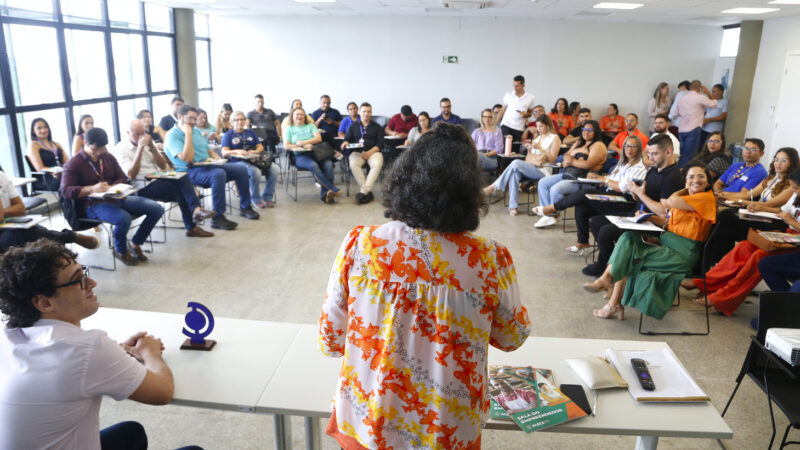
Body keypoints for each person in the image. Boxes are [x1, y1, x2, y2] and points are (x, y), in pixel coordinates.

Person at [318, 123, 530, 449]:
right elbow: (512, 336)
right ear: (470, 188)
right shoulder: (489, 259)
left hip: (368, 423)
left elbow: (331, 338)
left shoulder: (360, 244)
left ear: (405, 175)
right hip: (447, 429)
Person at [0, 239, 184, 450]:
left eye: (84, 272)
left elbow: (70, 366)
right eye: (78, 280)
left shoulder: (8, 336)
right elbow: (163, 392)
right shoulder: (86, 349)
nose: (92, 283)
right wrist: (150, 353)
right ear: (44, 302)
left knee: (131, 432)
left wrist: (118, 351)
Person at [587, 162, 716, 320]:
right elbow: (670, 223)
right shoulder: (689, 199)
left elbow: (669, 202)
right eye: (691, 176)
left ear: (708, 181)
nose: (696, 179)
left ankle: (612, 299)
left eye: (700, 176)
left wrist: (686, 185)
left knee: (629, 256)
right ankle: (607, 281)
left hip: (681, 255)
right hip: (666, 246)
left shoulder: (705, 198)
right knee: (628, 238)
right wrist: (648, 218)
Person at [685, 168, 800, 316]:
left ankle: (724, 297)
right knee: (745, 246)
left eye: (796, 188)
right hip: (788, 236)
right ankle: (707, 283)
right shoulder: (796, 196)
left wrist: (792, 222)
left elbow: (789, 218)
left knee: (761, 256)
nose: (794, 192)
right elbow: (782, 211)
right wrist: (760, 207)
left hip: (796, 244)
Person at [581, 134, 684, 277]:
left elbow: (663, 211)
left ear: (668, 152)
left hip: (653, 223)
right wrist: (635, 192)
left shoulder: (673, 177)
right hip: (637, 215)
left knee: (606, 232)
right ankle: (611, 263)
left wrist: (640, 194)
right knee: (597, 222)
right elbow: (640, 198)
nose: (650, 158)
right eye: (649, 154)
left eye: (654, 154)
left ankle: (606, 267)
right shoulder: (654, 170)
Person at [60, 128, 164, 266]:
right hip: (92, 204)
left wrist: (113, 186)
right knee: (123, 218)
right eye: (95, 149)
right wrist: (92, 188)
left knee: (156, 209)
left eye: (102, 148)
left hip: (116, 197)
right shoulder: (74, 163)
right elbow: (65, 191)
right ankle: (120, 250)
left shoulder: (107, 157)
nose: (98, 152)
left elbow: (122, 177)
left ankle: (135, 243)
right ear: (85, 142)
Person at [539, 135, 647, 254]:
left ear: (639, 149)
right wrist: (599, 179)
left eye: (633, 146)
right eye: (626, 146)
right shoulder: (623, 164)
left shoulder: (640, 167)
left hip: (623, 201)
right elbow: (611, 180)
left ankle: (554, 208)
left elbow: (622, 187)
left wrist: (602, 179)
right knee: (581, 205)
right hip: (611, 196)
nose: (629, 149)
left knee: (585, 193)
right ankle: (583, 241)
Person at [111, 119, 215, 238]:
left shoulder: (149, 142)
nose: (141, 137)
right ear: (127, 133)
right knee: (180, 190)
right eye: (136, 134)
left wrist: (152, 148)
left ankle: (194, 218)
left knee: (183, 177)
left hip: (159, 177)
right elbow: (131, 175)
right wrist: (139, 149)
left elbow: (163, 166)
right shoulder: (120, 148)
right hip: (143, 185)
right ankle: (193, 219)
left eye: (143, 133)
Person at [164, 105, 259, 230]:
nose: (193, 122)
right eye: (190, 119)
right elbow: (187, 158)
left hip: (207, 165)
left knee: (240, 169)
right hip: (188, 171)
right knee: (218, 174)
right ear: (180, 117)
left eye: (194, 119)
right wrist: (187, 134)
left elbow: (208, 150)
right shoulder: (172, 135)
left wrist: (216, 157)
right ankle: (218, 217)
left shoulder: (196, 131)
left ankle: (245, 207)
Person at [705, 147, 799, 268]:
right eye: (776, 159)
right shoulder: (770, 178)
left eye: (784, 160)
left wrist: (740, 201)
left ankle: (714, 264)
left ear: (792, 163)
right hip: (762, 213)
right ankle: (715, 264)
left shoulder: (792, 185)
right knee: (723, 221)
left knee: (726, 218)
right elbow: (749, 194)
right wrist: (725, 195)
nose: (778, 163)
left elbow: (767, 205)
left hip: (776, 221)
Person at [532, 119, 607, 228]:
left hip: (584, 179)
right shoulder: (579, 142)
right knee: (543, 182)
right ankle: (548, 214)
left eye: (590, 129)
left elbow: (588, 164)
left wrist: (572, 161)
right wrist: (574, 159)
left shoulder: (598, 145)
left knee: (556, 189)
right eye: (584, 129)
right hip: (569, 173)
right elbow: (566, 154)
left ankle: (554, 214)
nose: (586, 132)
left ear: (596, 131)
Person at [0, 170, 98, 252]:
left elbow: (20, 209)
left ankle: (64, 257)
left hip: (10, 224)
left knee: (32, 231)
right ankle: (68, 238)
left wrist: (3, 212)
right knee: (25, 235)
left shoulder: (1, 176)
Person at [483, 115, 561, 216]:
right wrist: (529, 149)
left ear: (548, 126)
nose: (538, 129)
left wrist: (542, 149)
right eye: (537, 126)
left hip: (544, 170)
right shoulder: (537, 138)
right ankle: (513, 207)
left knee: (515, 163)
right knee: (514, 173)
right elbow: (528, 158)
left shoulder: (554, 138)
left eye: (541, 126)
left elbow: (552, 159)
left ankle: (494, 186)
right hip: (532, 166)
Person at [221, 111, 279, 209]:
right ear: (232, 122)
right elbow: (224, 152)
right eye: (237, 120)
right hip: (237, 162)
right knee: (255, 172)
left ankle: (267, 196)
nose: (240, 122)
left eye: (242, 119)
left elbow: (260, 147)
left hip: (253, 159)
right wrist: (238, 151)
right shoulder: (228, 135)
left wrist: (254, 151)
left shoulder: (250, 132)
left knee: (275, 169)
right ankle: (255, 198)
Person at [284, 107, 341, 203]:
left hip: (317, 153)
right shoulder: (289, 129)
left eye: (301, 114)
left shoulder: (310, 126)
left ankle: (326, 195)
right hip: (300, 156)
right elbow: (286, 146)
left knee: (328, 164)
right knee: (313, 165)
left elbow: (318, 139)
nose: (299, 116)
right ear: (292, 116)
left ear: (305, 116)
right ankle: (333, 189)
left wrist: (304, 142)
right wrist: (301, 146)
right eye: (297, 114)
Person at [342, 102, 384, 205]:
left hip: (374, 151)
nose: (366, 114)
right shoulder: (353, 126)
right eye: (364, 111)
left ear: (371, 113)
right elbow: (347, 139)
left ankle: (363, 192)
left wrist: (369, 153)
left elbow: (380, 144)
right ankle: (366, 191)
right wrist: (345, 142)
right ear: (360, 112)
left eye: (368, 112)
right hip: (357, 153)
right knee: (353, 164)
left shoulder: (377, 126)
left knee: (377, 164)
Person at [673, 80, 718, 166]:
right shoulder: (700, 97)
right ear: (700, 88)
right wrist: (708, 92)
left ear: (689, 87)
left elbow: (677, 113)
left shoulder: (682, 98)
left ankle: (678, 171)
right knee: (689, 156)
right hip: (693, 129)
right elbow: (715, 104)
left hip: (681, 129)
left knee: (681, 154)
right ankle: (683, 175)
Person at [26, 118, 69, 192]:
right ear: (33, 130)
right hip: (46, 178)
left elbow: (67, 162)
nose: (43, 130)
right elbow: (40, 168)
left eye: (45, 127)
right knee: (70, 181)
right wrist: (56, 171)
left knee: (79, 177)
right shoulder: (33, 145)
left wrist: (65, 171)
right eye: (39, 128)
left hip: (61, 174)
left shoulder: (56, 144)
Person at [497, 75, 536, 142]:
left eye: (517, 86)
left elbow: (530, 113)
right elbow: (502, 110)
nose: (515, 88)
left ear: (523, 85)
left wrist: (525, 115)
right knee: (505, 148)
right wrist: (495, 123)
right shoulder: (508, 94)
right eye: (514, 85)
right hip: (506, 124)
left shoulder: (531, 97)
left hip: (519, 128)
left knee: (515, 150)